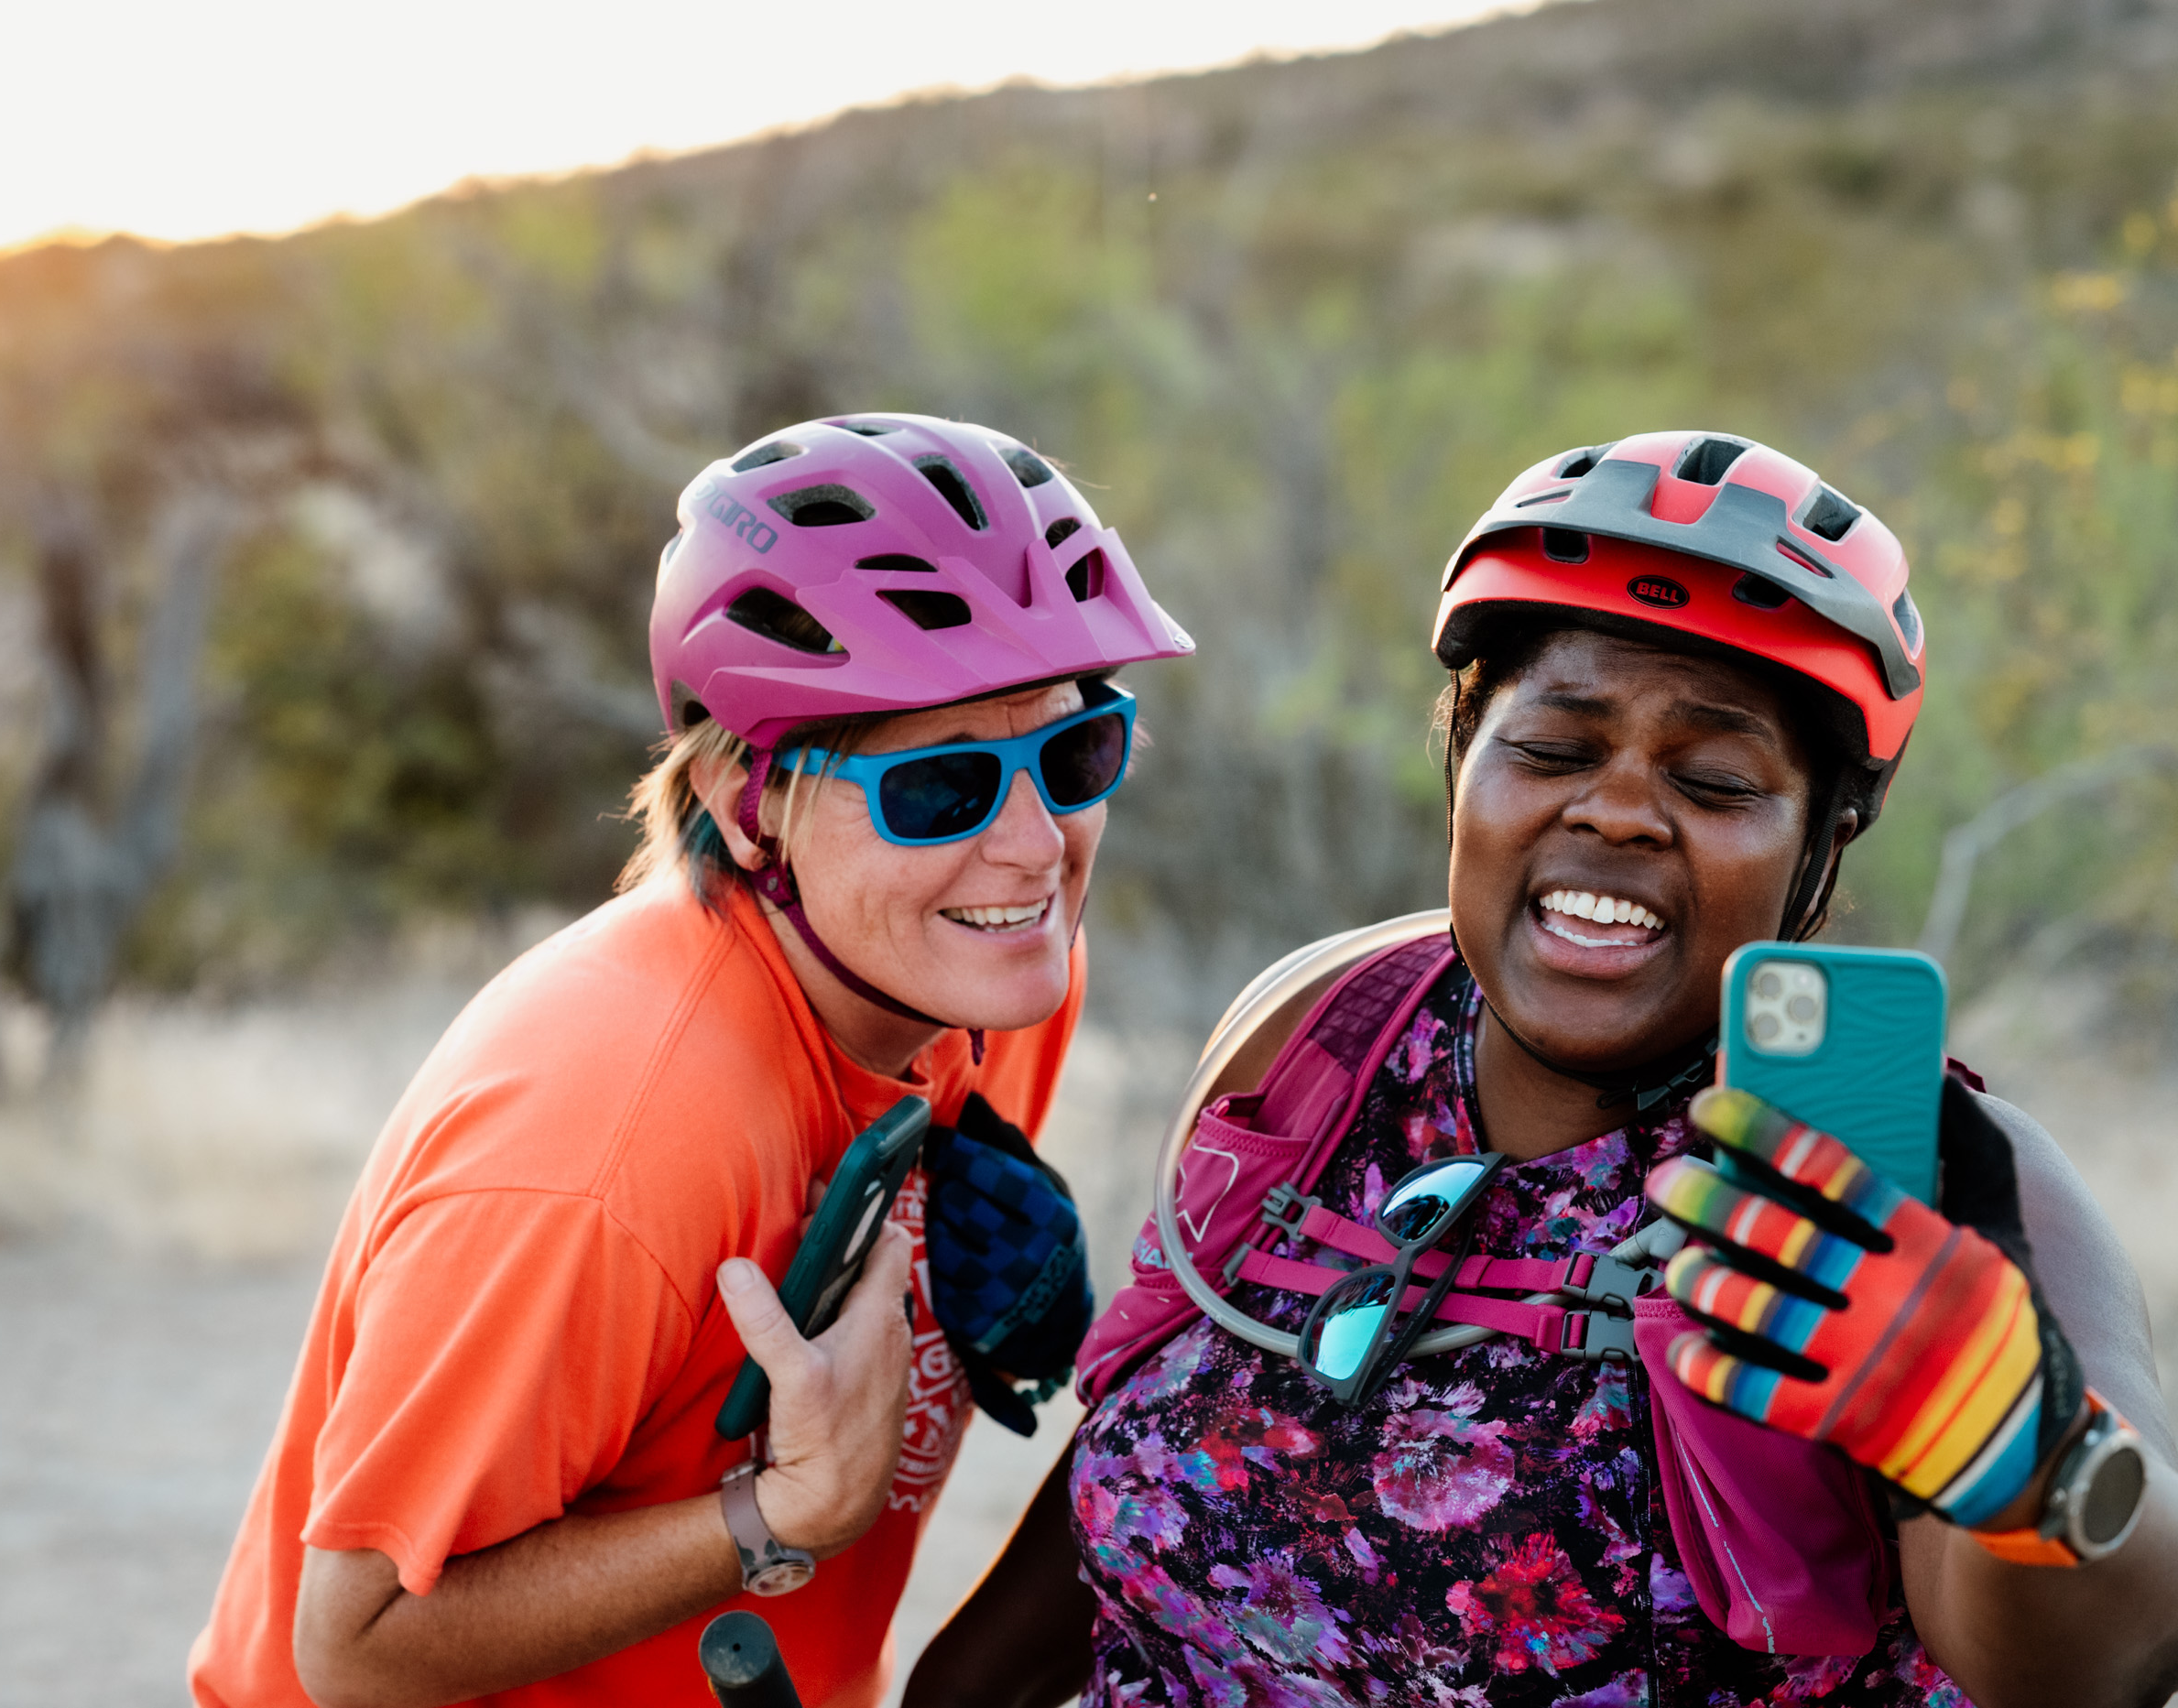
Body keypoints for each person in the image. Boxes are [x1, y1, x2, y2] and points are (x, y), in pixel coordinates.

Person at [909, 431, 2178, 1707]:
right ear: (1462, 751)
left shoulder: (1927, 1175)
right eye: (1557, 749)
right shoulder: (1324, 1035)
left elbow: (2104, 1662)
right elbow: (1126, 1498)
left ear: (1825, 837)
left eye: (1716, 778)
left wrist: (2008, 1442)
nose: (1618, 809)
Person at [186, 412, 1193, 1708]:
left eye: (1075, 752)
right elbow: (356, 1645)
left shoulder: (993, 973)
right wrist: (782, 1512)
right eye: (938, 788)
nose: (1032, 846)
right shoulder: (608, 1146)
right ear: (748, 803)